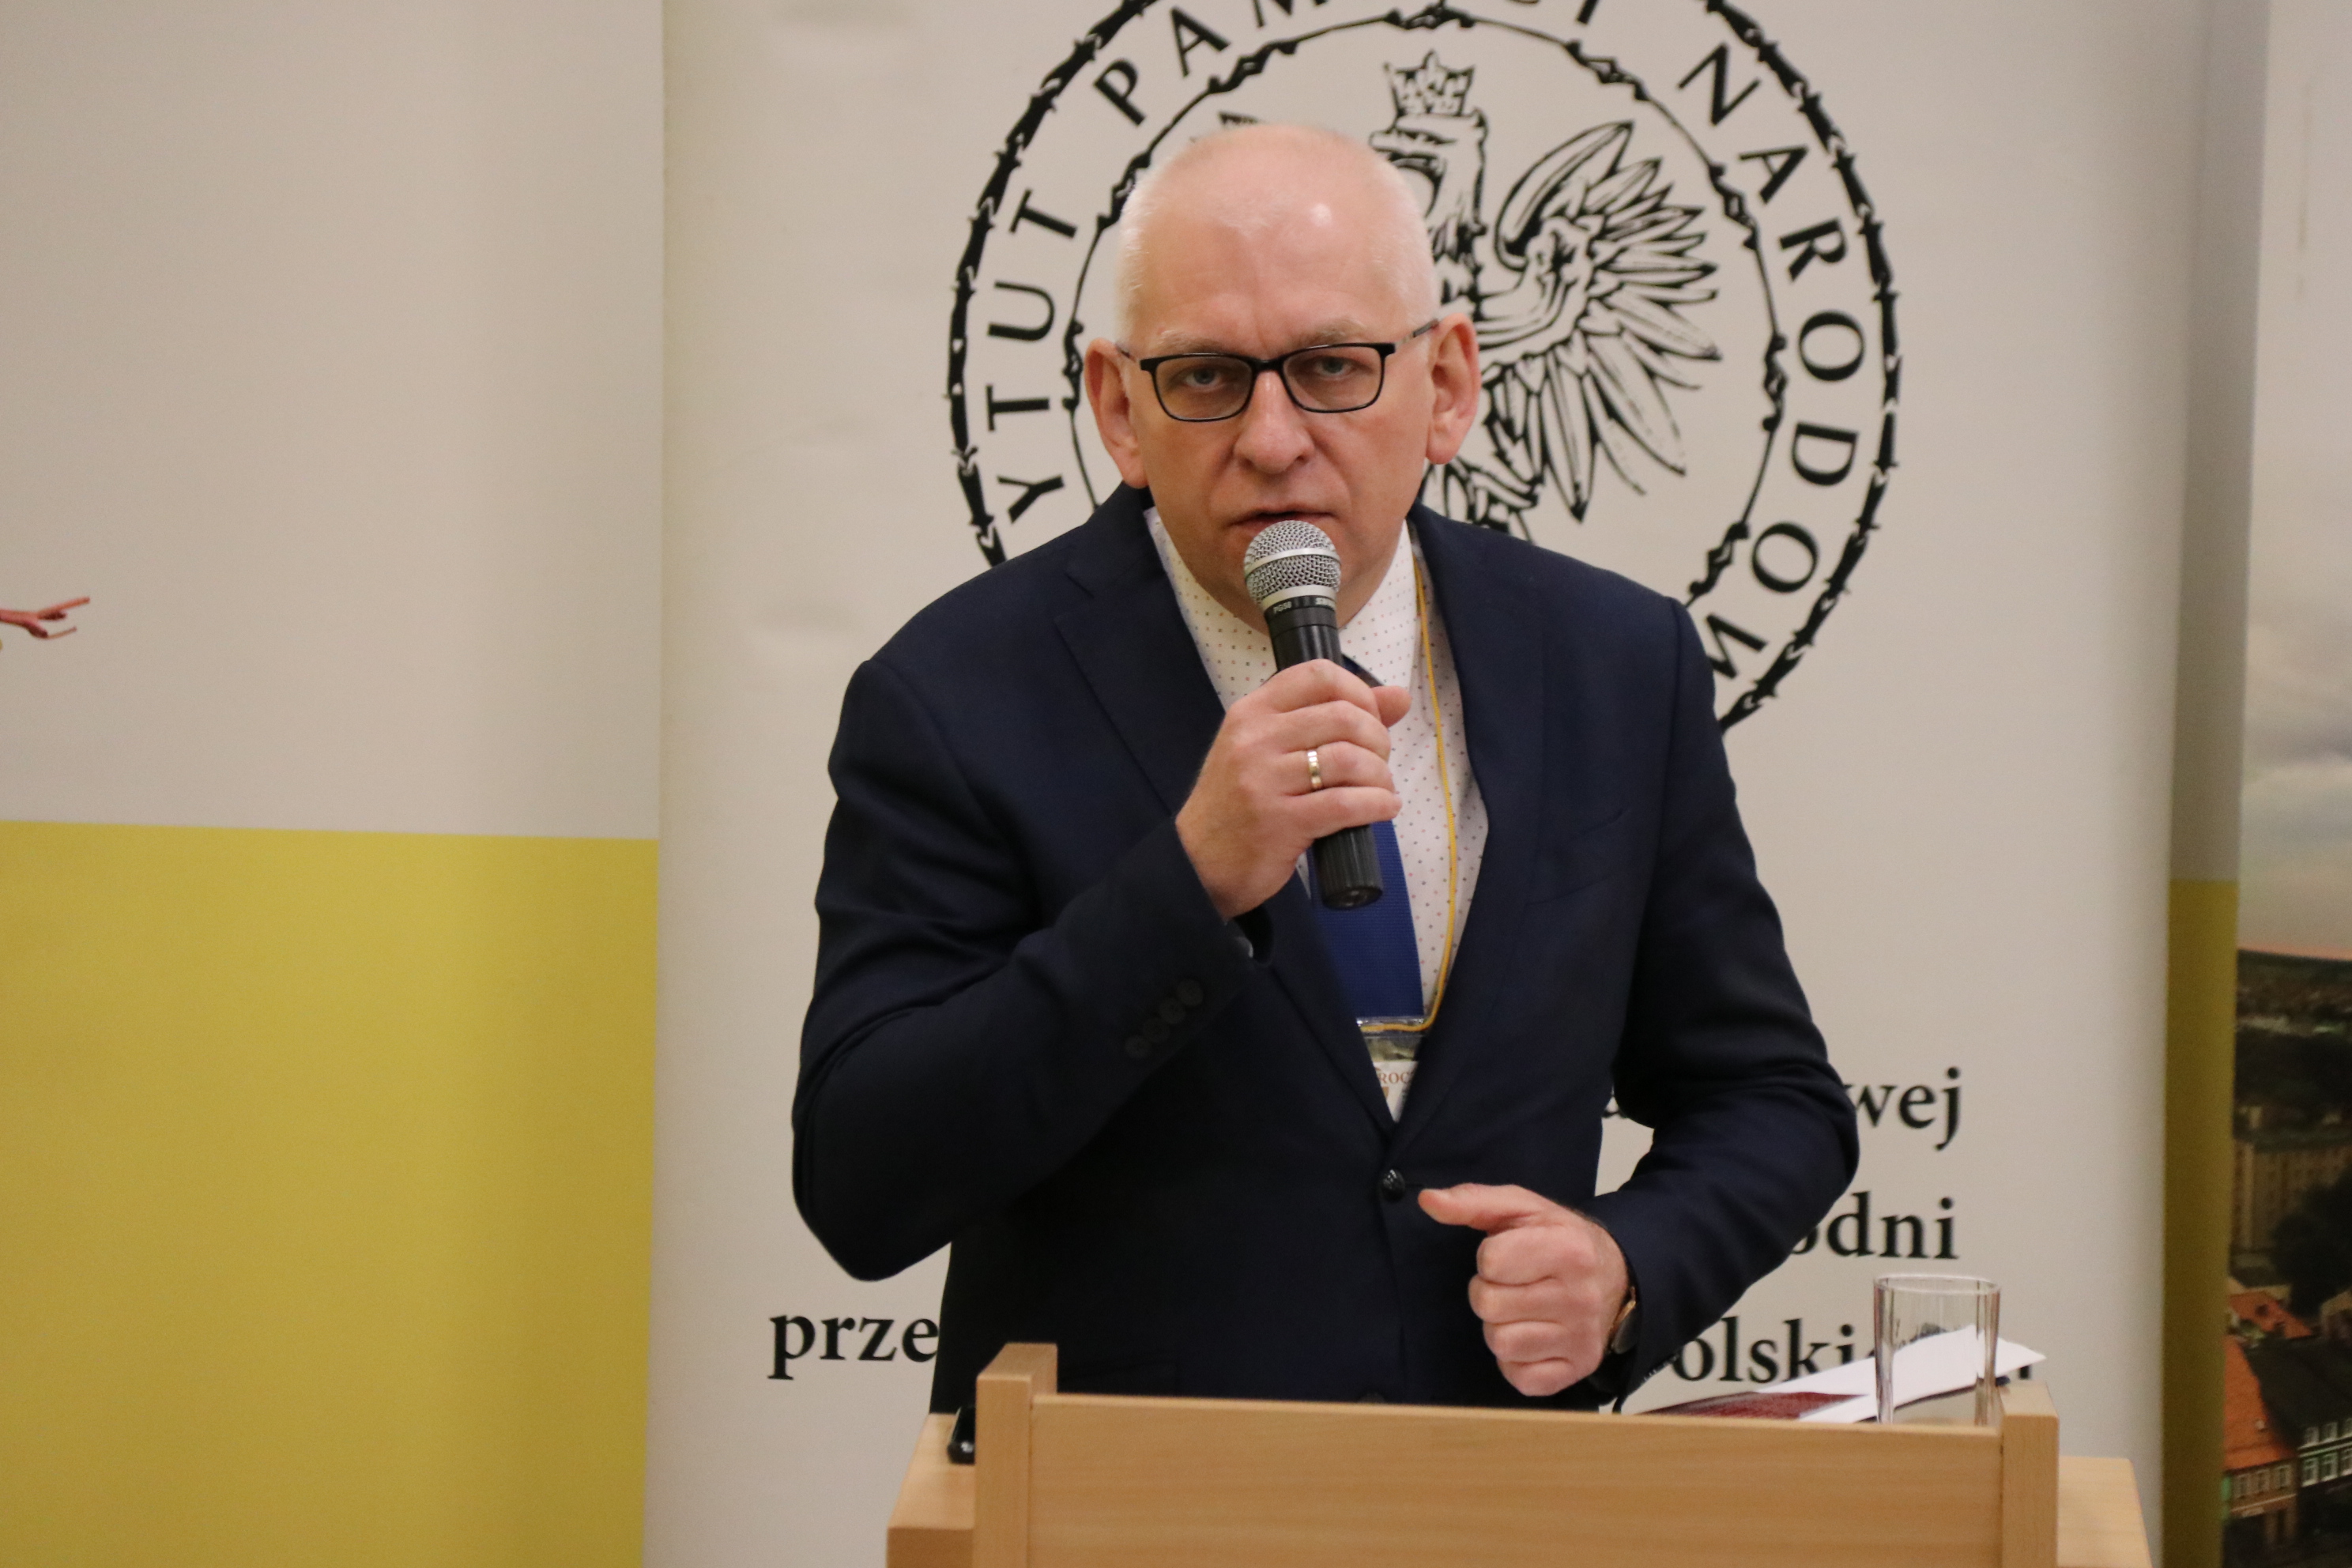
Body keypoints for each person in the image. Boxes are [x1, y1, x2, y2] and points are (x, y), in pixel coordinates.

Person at [794, 125, 1855, 1414]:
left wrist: (1629, 1263)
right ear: (1119, 409)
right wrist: (1187, 886)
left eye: (1331, 368)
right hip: (1110, 1491)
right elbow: (863, 1180)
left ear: (1447, 384)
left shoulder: (1613, 664)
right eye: (1204, 377)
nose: (1272, 437)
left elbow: (1768, 1098)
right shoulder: (955, 695)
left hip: (1501, 1485)